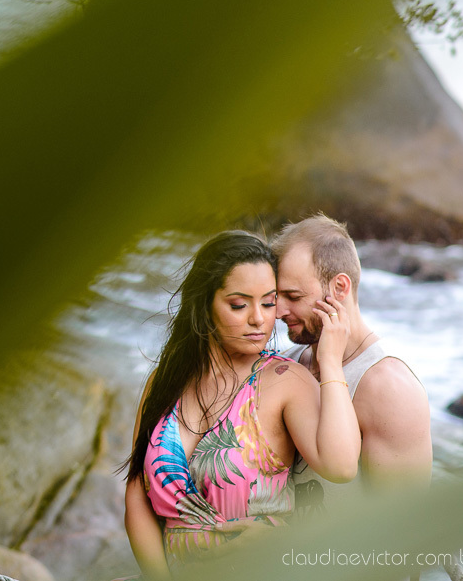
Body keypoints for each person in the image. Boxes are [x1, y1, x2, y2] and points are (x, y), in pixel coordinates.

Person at [122, 231, 361, 578]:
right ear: (205, 305)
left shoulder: (284, 381)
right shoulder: (165, 381)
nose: (259, 319)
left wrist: (332, 361)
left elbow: (341, 467)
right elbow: (137, 499)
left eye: (268, 303)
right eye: (239, 304)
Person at [271, 214, 432, 517]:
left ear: (340, 288)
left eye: (293, 296)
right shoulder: (291, 362)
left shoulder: (389, 389)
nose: (279, 310)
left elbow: (402, 532)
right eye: (277, 296)